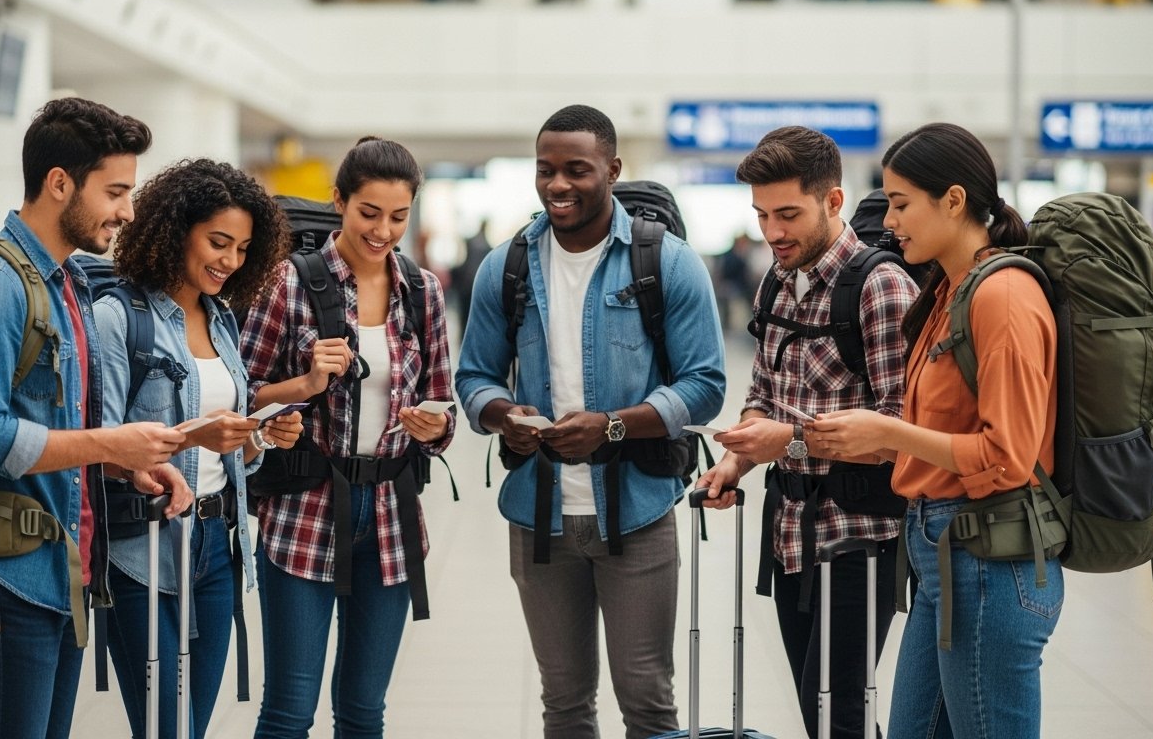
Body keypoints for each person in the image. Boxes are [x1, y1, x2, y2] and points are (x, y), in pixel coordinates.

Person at [455, 104, 726, 739]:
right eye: (545, 170)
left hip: (638, 509)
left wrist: (611, 426)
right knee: (565, 702)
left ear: (612, 169)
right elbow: (474, 379)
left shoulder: (669, 262)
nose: (558, 185)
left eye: (577, 170)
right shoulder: (507, 266)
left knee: (648, 700)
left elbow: (705, 386)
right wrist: (506, 414)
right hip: (539, 515)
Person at [0, 96, 194, 738]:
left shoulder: (64, 283)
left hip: (59, 573)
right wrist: (108, 441)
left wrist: (124, 462)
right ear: (59, 184)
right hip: (2, 581)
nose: (128, 211)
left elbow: (55, 424)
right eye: (116, 191)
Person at [809, 122, 1063, 738]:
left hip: (990, 556)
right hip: (945, 555)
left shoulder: (1001, 296)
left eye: (901, 204)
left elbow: (1008, 455)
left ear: (953, 200)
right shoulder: (951, 288)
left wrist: (888, 434)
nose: (889, 222)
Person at [696, 125, 918, 739]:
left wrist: (786, 442)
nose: (773, 232)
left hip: (860, 536)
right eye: (762, 215)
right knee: (817, 707)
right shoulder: (777, 280)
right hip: (791, 527)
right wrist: (740, 457)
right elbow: (762, 394)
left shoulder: (880, 287)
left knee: (838, 711)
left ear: (834, 201)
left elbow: (903, 432)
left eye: (788, 214)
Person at [240, 136, 456, 738]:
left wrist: (435, 426)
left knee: (364, 711)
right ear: (339, 201)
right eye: (369, 213)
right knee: (288, 709)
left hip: (390, 515)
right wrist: (302, 385)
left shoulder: (424, 292)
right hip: (304, 509)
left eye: (398, 216)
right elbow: (242, 394)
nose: (382, 230)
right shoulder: (287, 283)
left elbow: (443, 402)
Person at [95, 158, 303, 738]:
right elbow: (100, 446)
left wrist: (257, 436)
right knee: (167, 729)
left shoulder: (222, 320)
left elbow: (225, 447)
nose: (229, 262)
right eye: (218, 242)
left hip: (217, 548)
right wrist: (194, 434)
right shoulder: (119, 318)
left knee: (194, 728)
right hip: (143, 544)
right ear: (176, 228)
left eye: (241, 249)